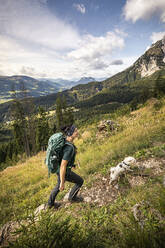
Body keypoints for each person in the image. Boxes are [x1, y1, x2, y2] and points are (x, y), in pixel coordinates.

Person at [48, 124, 84, 209]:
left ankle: (50, 204)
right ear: (70, 133)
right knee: (80, 181)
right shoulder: (69, 148)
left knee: (57, 186)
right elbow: (63, 166)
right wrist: (62, 182)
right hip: (63, 171)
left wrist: (72, 165)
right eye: (75, 131)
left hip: (58, 169)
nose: (77, 132)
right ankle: (72, 198)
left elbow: (63, 158)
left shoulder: (65, 141)